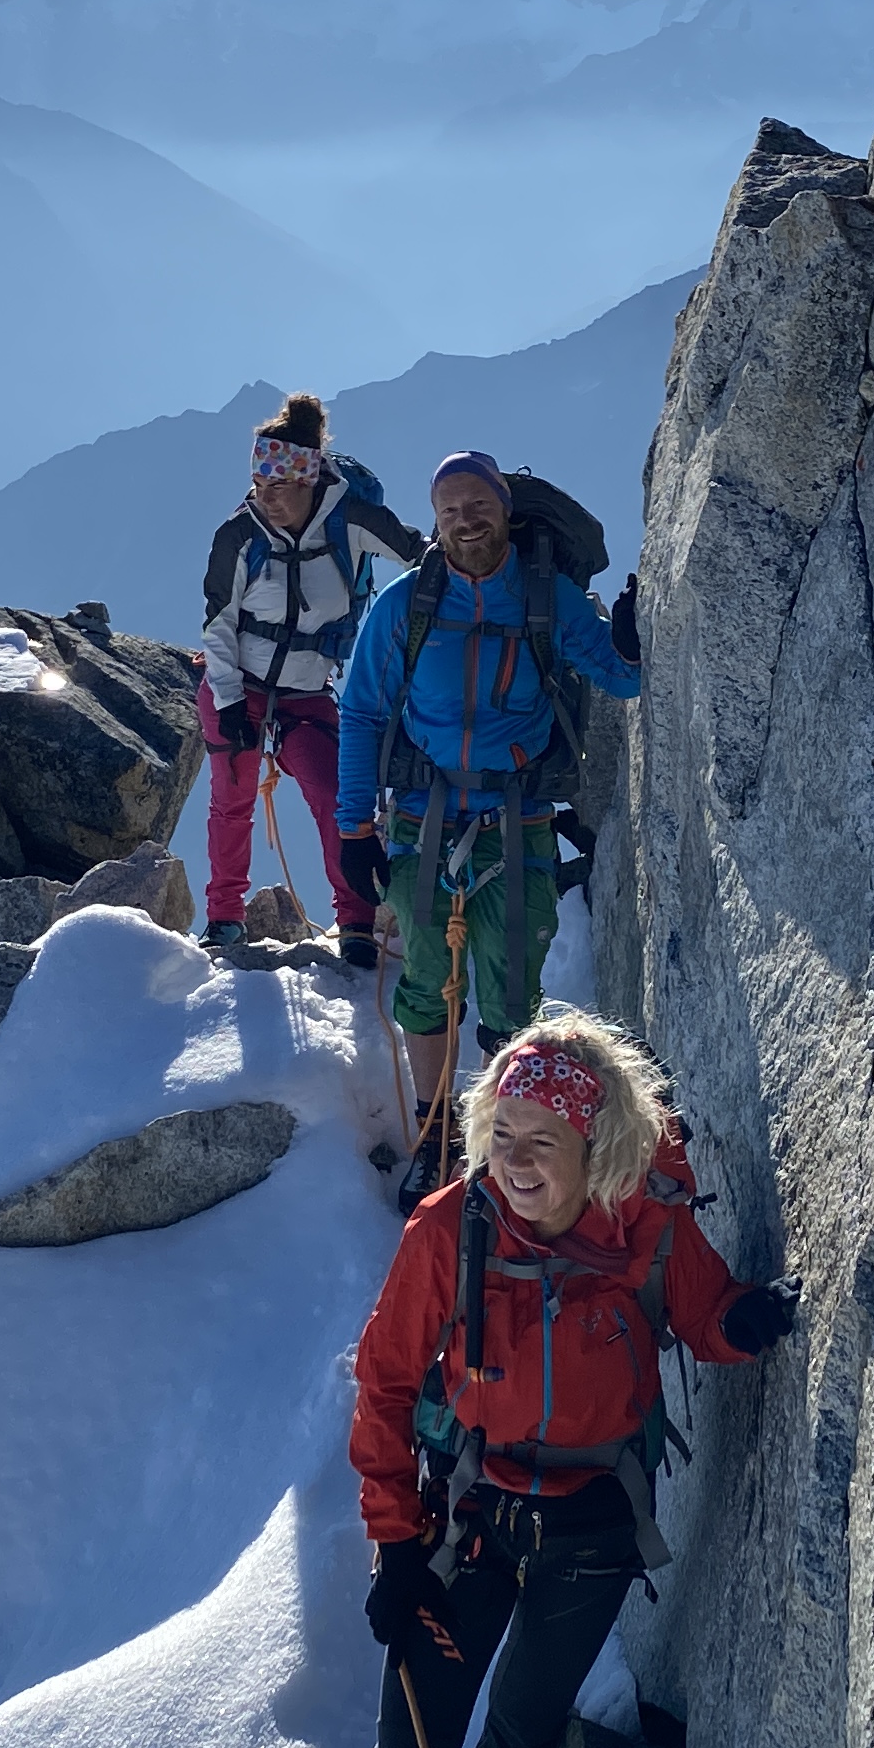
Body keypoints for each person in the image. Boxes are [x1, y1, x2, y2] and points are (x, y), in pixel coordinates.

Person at [348, 1009, 800, 1748]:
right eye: (500, 1134)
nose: (512, 1161)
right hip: (470, 1523)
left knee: (514, 1743)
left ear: (596, 1148)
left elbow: (703, 1317)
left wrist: (759, 1319)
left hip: (590, 1535)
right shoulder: (446, 1234)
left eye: (539, 1141)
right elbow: (385, 1385)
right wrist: (395, 1544)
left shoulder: (642, 1225)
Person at [333, 450, 644, 1193]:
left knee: (512, 990)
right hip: (421, 819)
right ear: (435, 523)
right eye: (451, 512)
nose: (466, 522)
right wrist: (353, 831)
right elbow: (363, 714)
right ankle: (437, 1139)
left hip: (518, 815)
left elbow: (618, 678)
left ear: (505, 509)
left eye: (479, 507)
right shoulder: (404, 605)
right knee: (428, 981)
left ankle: (503, 1143)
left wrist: (630, 641)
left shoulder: (548, 598)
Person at [195, 394, 422, 965]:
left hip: (305, 693)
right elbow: (217, 625)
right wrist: (225, 701)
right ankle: (224, 918)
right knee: (232, 795)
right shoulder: (238, 536)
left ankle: (356, 925)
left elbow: (422, 557)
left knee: (336, 796)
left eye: (277, 486)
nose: (264, 498)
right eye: (258, 484)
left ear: (308, 480)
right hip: (236, 684)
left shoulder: (352, 520)